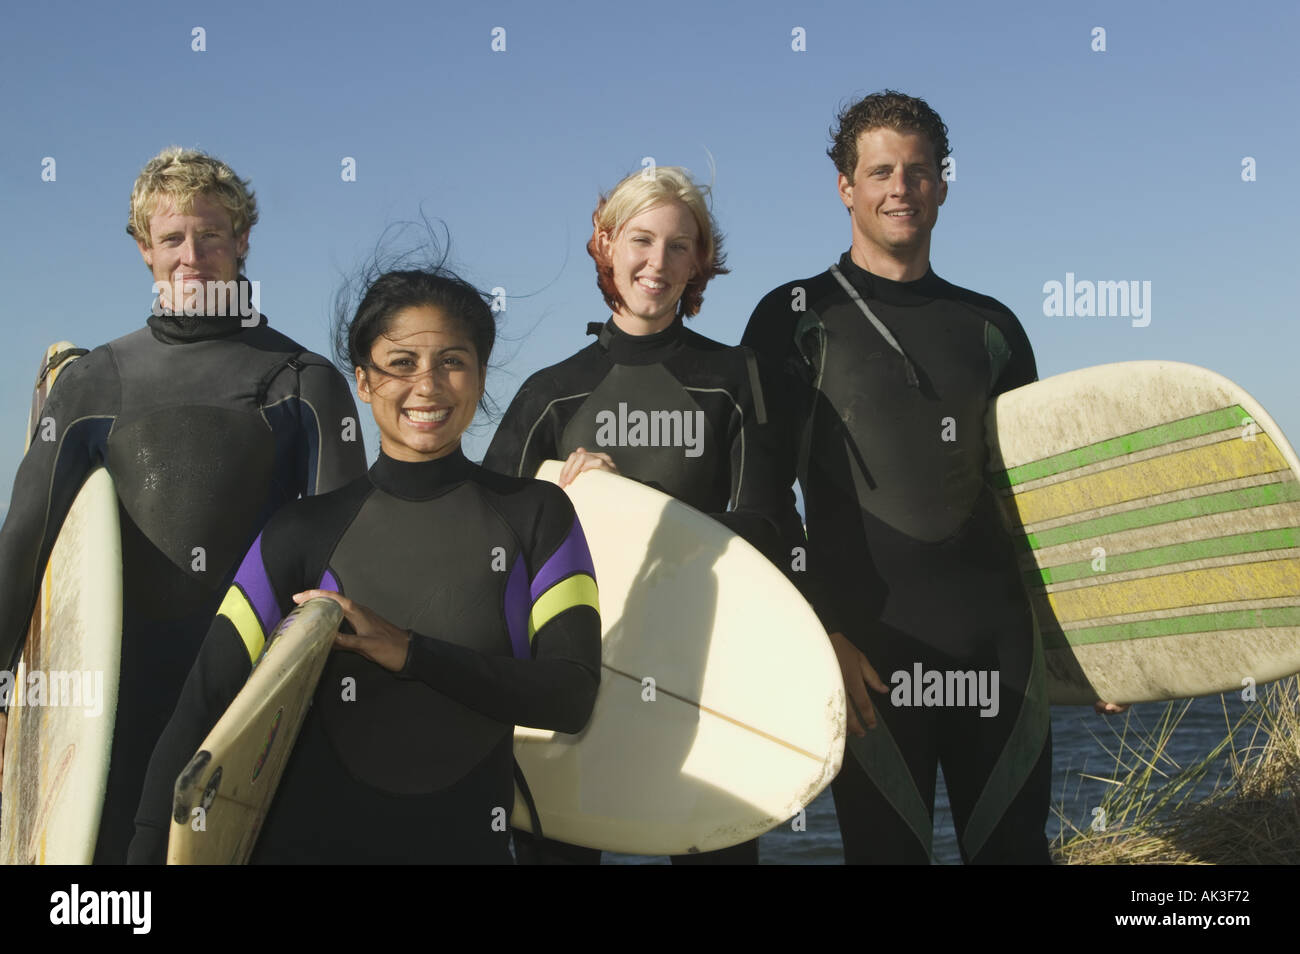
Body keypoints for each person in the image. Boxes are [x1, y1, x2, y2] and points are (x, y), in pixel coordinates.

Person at [129, 261, 602, 864]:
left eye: (452, 361)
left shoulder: (538, 516)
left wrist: (409, 651)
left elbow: (571, 695)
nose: (426, 386)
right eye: (400, 364)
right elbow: (202, 706)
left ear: (480, 376)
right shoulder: (302, 531)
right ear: (363, 380)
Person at [0, 147, 366, 863]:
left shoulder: (302, 382)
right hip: (104, 711)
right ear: (144, 250)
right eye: (171, 238)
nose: (192, 256)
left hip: (244, 703)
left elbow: (339, 570)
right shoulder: (94, 383)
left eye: (211, 234)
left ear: (242, 241)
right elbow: (24, 546)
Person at [742, 91, 1052, 864]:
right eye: (880, 172)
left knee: (1016, 852)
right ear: (845, 186)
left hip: (1000, 649)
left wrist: (1095, 640)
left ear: (943, 184)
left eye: (918, 172)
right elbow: (762, 494)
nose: (900, 188)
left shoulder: (991, 325)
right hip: (869, 659)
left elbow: (1035, 499)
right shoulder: (794, 315)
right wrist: (821, 631)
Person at [484, 166, 801, 864]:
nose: (657, 263)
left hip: (708, 677)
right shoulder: (552, 393)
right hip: (573, 676)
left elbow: (771, 527)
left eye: (679, 246)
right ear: (605, 244)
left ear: (700, 262)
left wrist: (627, 511)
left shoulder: (735, 377)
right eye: (641, 240)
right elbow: (483, 540)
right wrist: (563, 507)